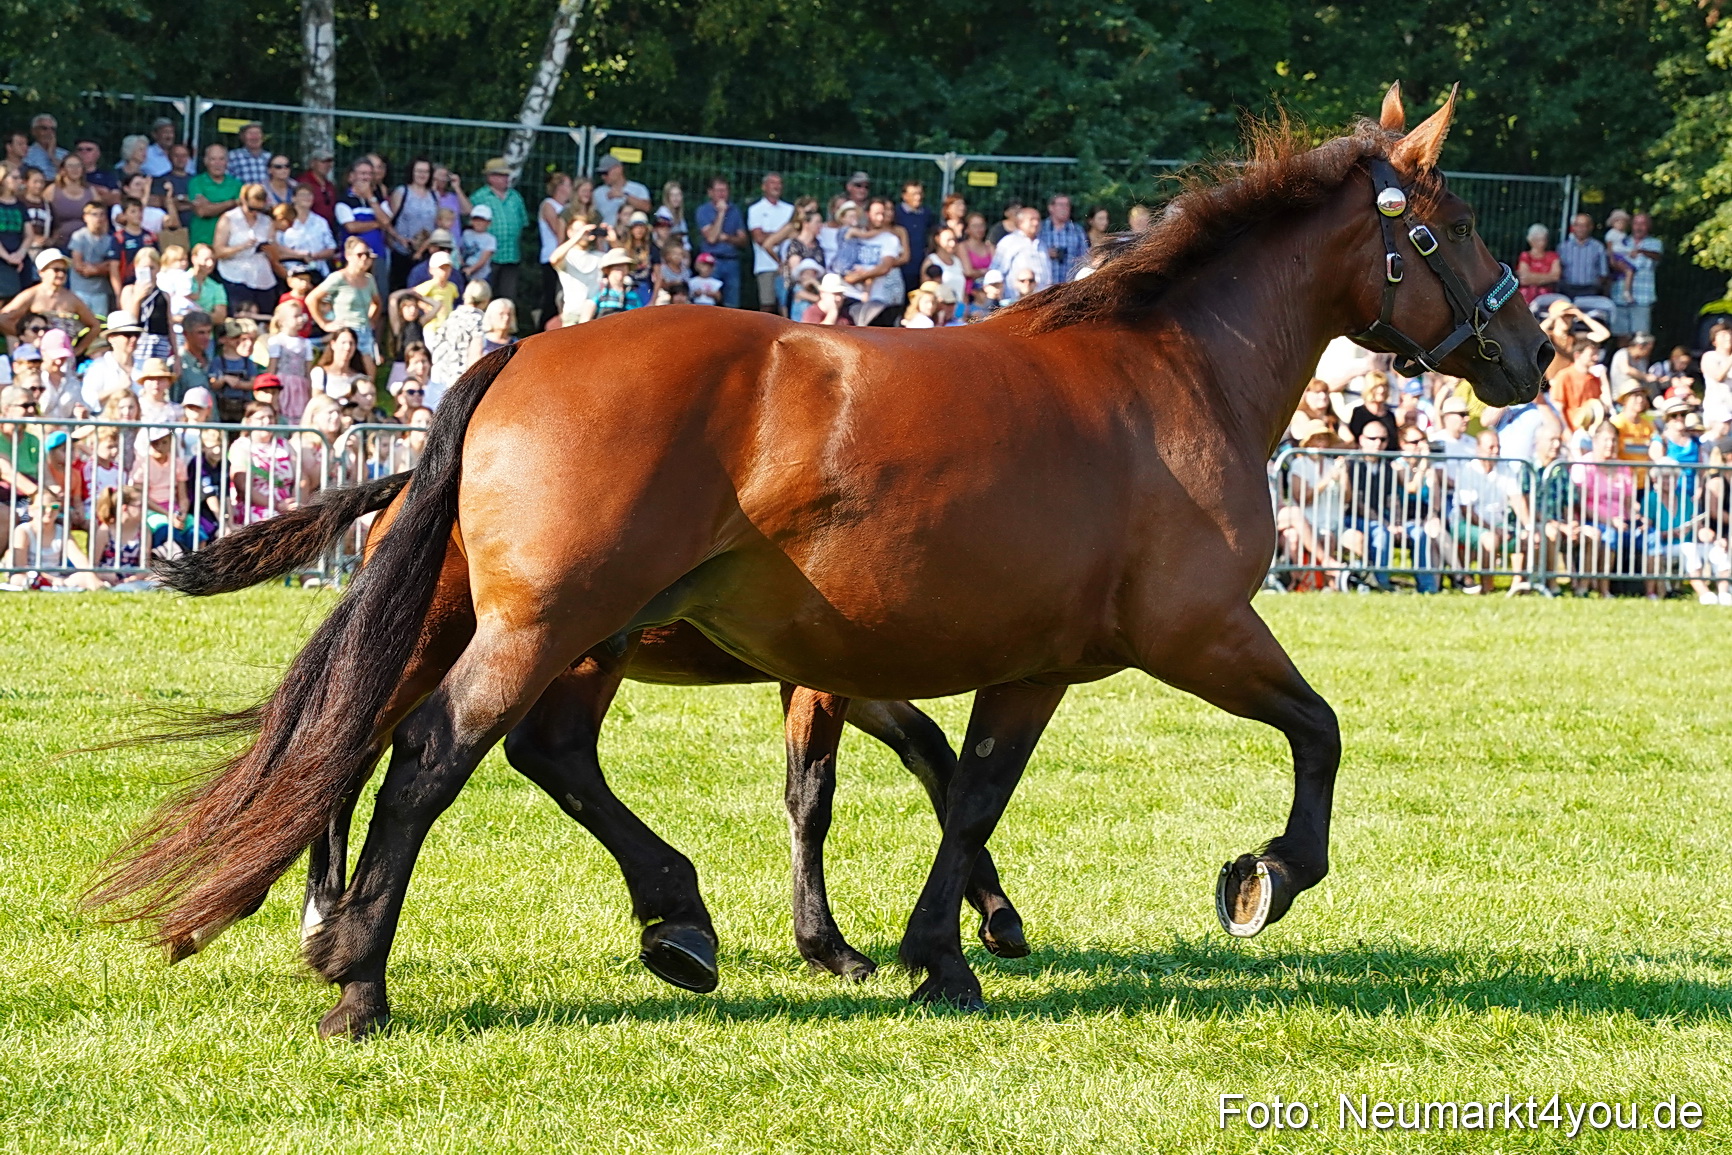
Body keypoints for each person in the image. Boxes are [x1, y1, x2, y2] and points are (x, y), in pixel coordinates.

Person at [0, 249, 100, 353]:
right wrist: (27, 336)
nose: (61, 274)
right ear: (41, 272)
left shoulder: (72, 298)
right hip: (37, 353)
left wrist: (79, 349)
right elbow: (3, 319)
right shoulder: (32, 295)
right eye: (56, 270)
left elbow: (95, 326)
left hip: (63, 353)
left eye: (64, 270)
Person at [306, 238, 382, 360]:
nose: (364, 258)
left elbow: (377, 303)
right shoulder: (338, 278)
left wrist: (371, 321)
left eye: (367, 255)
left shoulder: (369, 279)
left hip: (365, 333)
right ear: (348, 256)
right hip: (346, 333)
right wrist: (324, 324)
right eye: (360, 255)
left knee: (369, 372)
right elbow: (311, 299)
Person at [469, 157, 528, 307]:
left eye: (507, 175)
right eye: (502, 175)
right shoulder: (479, 197)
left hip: (511, 255)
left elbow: (523, 222)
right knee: (485, 294)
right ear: (491, 177)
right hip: (487, 258)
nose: (506, 179)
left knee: (508, 296)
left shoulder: (515, 197)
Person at [227, 402, 298, 524]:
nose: (267, 421)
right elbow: (243, 486)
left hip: (286, 505)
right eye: (261, 418)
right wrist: (276, 505)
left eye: (270, 417)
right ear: (249, 422)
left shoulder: (284, 444)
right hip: (255, 505)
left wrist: (295, 502)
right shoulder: (241, 446)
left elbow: (301, 477)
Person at [213, 183, 277, 316]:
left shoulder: (266, 221)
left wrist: (268, 248)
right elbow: (218, 251)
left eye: (259, 209)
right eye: (251, 208)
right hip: (235, 275)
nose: (255, 213)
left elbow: (274, 251)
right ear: (243, 200)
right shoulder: (229, 219)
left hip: (262, 276)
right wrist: (242, 247)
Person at [428, 279, 490, 404]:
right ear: (486, 299)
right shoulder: (479, 321)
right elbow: (476, 356)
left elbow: (434, 344)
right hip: (460, 384)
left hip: (438, 379)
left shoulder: (452, 316)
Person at [387, 157, 440, 293]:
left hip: (426, 250)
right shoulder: (402, 192)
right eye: (419, 171)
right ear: (411, 172)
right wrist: (398, 239)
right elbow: (389, 221)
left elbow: (437, 222)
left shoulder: (434, 195)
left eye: (426, 172)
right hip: (403, 249)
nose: (422, 175)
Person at [694, 176, 747, 308]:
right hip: (711, 262)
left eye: (724, 191)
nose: (722, 194)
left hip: (732, 261)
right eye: (718, 191)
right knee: (709, 302)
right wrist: (721, 213)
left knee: (732, 305)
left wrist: (726, 238)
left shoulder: (735, 211)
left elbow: (743, 240)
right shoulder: (703, 211)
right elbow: (711, 238)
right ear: (710, 192)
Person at [748, 172, 797, 315]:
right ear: (764, 186)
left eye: (779, 183)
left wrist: (771, 235)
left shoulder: (790, 209)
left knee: (786, 304)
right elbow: (758, 238)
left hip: (788, 263)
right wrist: (783, 234)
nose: (776, 186)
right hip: (765, 264)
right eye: (772, 182)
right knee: (767, 305)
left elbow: (794, 235)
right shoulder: (756, 209)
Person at [1609, 212, 1662, 337]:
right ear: (1631, 225)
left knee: (1641, 338)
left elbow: (1657, 256)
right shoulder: (1622, 241)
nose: (1639, 227)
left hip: (1643, 298)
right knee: (1621, 336)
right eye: (1636, 223)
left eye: (1643, 224)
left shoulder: (1654, 243)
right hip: (1619, 296)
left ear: (1648, 226)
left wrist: (1640, 251)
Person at [78, 310, 142, 412]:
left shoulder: (145, 366)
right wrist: (118, 388)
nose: (133, 339)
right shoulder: (98, 367)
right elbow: (88, 401)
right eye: (127, 334)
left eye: (137, 334)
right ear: (111, 338)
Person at [274, 182, 338, 276]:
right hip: (291, 273)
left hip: (319, 272)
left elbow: (331, 249)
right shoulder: (284, 221)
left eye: (310, 194)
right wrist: (301, 255)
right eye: (303, 195)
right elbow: (276, 250)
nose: (307, 197)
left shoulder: (320, 221)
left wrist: (313, 256)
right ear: (293, 198)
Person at [187, 144, 242, 251]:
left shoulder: (237, 184)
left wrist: (211, 205)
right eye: (213, 159)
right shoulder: (197, 182)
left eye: (221, 159)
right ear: (205, 161)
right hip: (202, 242)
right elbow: (202, 211)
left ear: (227, 162)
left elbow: (241, 211)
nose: (218, 164)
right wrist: (230, 203)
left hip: (229, 243)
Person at [67, 201, 117, 317]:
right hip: (80, 290)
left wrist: (94, 269)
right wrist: (102, 268)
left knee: (100, 325)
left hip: (101, 292)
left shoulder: (110, 240)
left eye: (102, 214)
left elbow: (112, 266)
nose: (98, 218)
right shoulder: (79, 236)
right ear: (85, 217)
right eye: (94, 214)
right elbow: (78, 266)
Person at [265, 299, 314, 419]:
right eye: (296, 316)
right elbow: (272, 369)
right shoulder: (276, 341)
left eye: (301, 315)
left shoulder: (306, 343)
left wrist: (311, 391)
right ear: (283, 321)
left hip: (300, 387)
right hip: (282, 385)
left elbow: (308, 371)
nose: (301, 319)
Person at [535, 171, 571, 326]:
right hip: (551, 257)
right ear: (560, 187)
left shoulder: (566, 207)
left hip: (565, 258)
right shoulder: (549, 205)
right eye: (569, 184)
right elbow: (559, 231)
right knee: (551, 297)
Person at [991, 207, 1051, 296]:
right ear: (1020, 222)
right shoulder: (1008, 242)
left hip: (1042, 299)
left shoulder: (1042, 243)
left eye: (1038, 219)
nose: (1036, 223)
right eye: (1031, 219)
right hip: (1016, 300)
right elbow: (996, 271)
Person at [1556, 212, 1608, 299]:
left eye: (1584, 225)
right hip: (1567, 290)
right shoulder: (1563, 247)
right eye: (1577, 225)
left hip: (1590, 290)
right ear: (1573, 227)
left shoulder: (1598, 247)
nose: (1580, 229)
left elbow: (1603, 273)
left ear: (1590, 227)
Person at [310, 326, 369, 401]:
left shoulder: (359, 378)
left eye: (351, 343)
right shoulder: (320, 373)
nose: (347, 347)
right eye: (343, 343)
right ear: (333, 344)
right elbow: (316, 402)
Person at [1039, 195, 1089, 283]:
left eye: (1067, 205)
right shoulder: (1040, 228)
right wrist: (1045, 253)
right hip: (1044, 285)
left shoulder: (1077, 230)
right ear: (1051, 208)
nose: (1064, 208)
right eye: (1061, 204)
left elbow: (1085, 256)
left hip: (1069, 284)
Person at [593, 155, 651, 228]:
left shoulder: (638, 189)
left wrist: (624, 196)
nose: (603, 177)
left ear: (618, 169)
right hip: (606, 233)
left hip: (631, 234)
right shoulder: (597, 192)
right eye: (601, 174)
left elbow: (646, 207)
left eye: (605, 173)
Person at [1516, 223, 1561, 305]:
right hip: (1526, 297)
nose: (1542, 243)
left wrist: (1532, 277)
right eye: (1538, 239)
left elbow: (1555, 277)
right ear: (1531, 240)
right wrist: (1547, 277)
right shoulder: (1525, 256)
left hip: (1547, 297)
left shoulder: (1553, 256)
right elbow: (1524, 279)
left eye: (1543, 239)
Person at [297, 146, 339, 227]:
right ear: (312, 163)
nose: (327, 165)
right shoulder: (303, 182)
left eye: (330, 161)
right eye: (323, 161)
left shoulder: (330, 185)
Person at [460, 204, 497, 283]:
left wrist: (471, 269)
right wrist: (462, 265)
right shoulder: (466, 233)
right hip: (464, 272)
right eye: (476, 219)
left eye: (482, 220)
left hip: (482, 276)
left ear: (488, 223)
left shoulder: (490, 239)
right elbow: (460, 250)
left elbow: (483, 259)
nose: (479, 223)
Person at [24, 115, 66, 180]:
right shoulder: (26, 153)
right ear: (34, 131)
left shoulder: (65, 154)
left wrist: (52, 155)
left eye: (52, 129)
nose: (49, 133)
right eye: (44, 128)